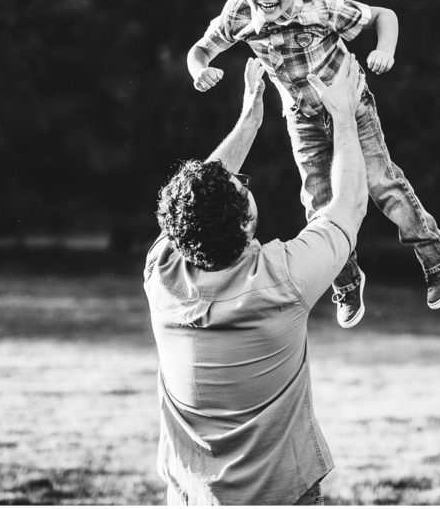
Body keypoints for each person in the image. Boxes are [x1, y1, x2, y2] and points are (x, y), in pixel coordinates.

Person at [186, 0, 440, 329]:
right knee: (318, 200)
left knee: (380, 184)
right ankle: (346, 283)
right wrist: (200, 68)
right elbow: (201, 48)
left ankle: (438, 254)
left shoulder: (320, 6)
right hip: (302, 116)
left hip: (351, 105)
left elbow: (383, 16)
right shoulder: (237, 15)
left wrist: (383, 50)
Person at [144, 57, 367, 505]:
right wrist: (343, 116)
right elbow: (349, 205)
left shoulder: (163, 273)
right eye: (243, 185)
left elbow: (193, 205)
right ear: (248, 223)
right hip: (281, 493)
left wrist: (249, 119)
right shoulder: (282, 279)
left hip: (192, 497)